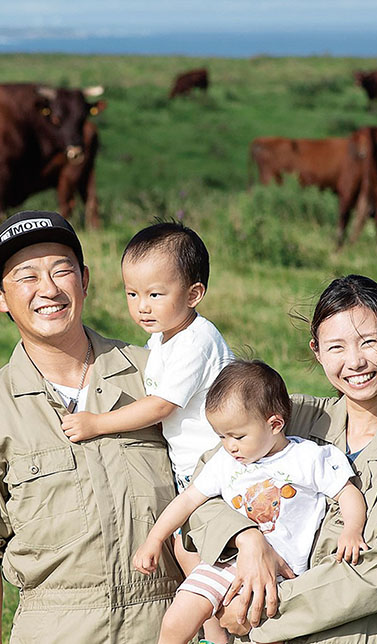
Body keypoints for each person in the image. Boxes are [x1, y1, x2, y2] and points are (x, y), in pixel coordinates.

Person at [0, 210, 182, 644]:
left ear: (85, 279)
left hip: (167, 622)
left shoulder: (155, 375)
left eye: (62, 270)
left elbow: (226, 460)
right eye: (26, 277)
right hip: (55, 627)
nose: (49, 289)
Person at [188, 274, 377, 644]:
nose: (355, 362)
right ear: (316, 351)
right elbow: (203, 486)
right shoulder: (292, 416)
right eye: (336, 347)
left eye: (369, 341)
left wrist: (257, 613)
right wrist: (246, 537)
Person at [59, 221, 233, 641]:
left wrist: (97, 423)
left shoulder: (197, 341)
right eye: (132, 294)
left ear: (193, 295)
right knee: (188, 550)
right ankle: (215, 633)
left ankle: (220, 634)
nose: (142, 307)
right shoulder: (163, 338)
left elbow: (161, 405)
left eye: (155, 294)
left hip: (220, 463)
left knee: (197, 551)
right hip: (195, 469)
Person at [133, 360, 367, 644]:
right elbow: (188, 500)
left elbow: (348, 491)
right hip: (223, 561)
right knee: (177, 618)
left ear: (275, 424)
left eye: (238, 436)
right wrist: (154, 539)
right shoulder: (225, 461)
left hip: (279, 576)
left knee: (266, 634)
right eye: (221, 436)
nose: (230, 445)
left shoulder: (308, 458)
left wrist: (352, 530)